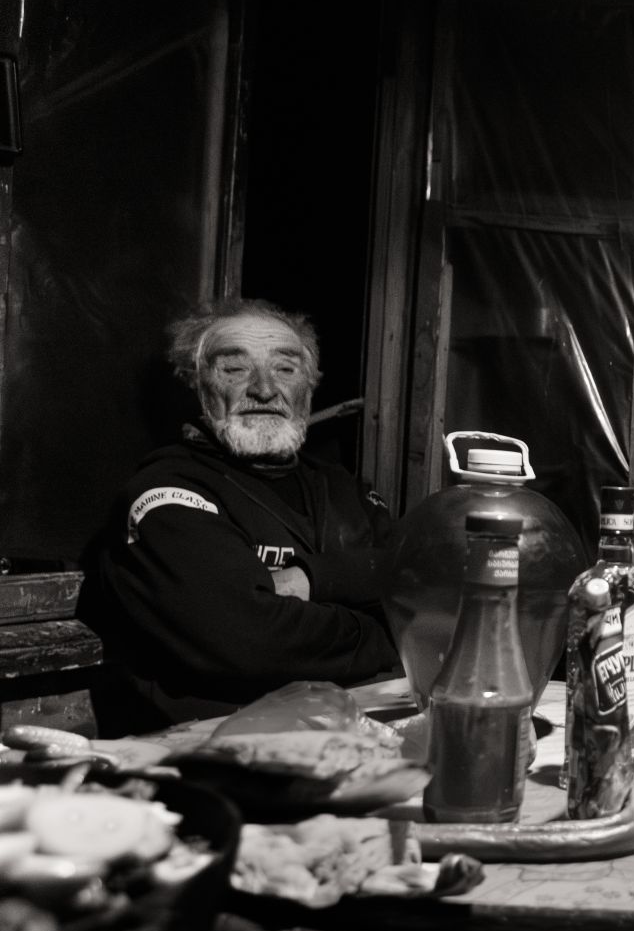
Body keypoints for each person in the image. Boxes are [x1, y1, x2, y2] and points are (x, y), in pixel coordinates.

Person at [83, 298, 401, 731]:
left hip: (361, 733)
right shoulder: (167, 494)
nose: (265, 389)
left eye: (285, 370)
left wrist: (314, 578)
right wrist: (391, 636)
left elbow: (431, 588)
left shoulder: (347, 490)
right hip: (214, 755)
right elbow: (249, 639)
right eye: (235, 369)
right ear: (196, 384)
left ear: (308, 388)